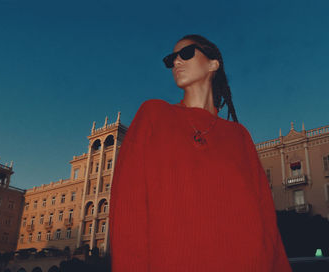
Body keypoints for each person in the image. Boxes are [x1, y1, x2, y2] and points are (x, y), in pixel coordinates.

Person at [109, 34, 292, 271]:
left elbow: (266, 221)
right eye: (170, 59)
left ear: (213, 64)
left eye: (185, 54)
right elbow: (128, 212)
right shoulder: (153, 115)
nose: (176, 62)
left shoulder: (239, 136)